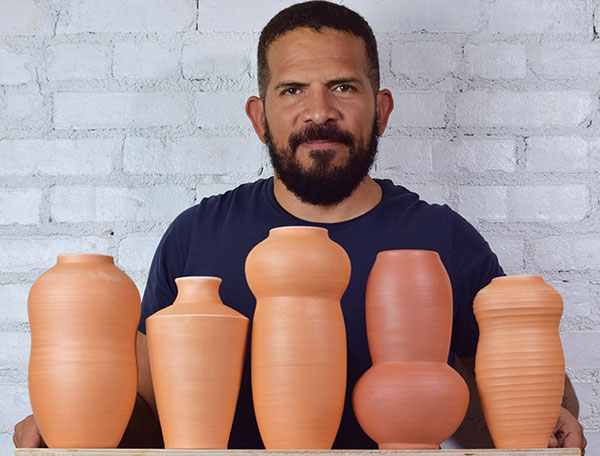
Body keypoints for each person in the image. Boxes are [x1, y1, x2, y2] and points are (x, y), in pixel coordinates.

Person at [14, 1, 586, 452]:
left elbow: (518, 401)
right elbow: (146, 421)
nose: (319, 112)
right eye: (292, 90)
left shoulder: (441, 241)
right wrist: (68, 423)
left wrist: (552, 415)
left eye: (343, 86)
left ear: (381, 109)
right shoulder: (196, 238)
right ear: (258, 117)